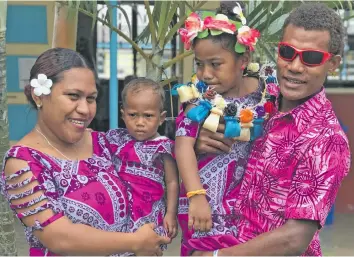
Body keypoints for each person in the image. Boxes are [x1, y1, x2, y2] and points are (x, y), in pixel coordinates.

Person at [193, 3, 351, 256]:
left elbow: (295, 237)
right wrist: (197, 143)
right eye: (288, 52)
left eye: (311, 57)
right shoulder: (259, 99)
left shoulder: (326, 139)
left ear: (332, 64)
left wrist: (218, 256)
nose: (295, 66)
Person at [0, 48, 170, 256]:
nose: (85, 109)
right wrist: (135, 242)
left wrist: (200, 140)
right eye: (73, 96)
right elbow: (58, 237)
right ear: (39, 96)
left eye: (91, 99)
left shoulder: (106, 144)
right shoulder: (23, 162)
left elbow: (158, 150)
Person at [174, 2, 277, 255]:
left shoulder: (266, 95)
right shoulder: (198, 99)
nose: (206, 73)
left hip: (251, 206)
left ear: (244, 60)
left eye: (216, 64)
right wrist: (196, 196)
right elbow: (183, 145)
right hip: (206, 204)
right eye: (199, 64)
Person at [105, 78, 179, 246]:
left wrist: (171, 213)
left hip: (149, 214)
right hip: (118, 215)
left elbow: (172, 182)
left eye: (148, 116)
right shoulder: (116, 138)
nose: (139, 122)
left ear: (161, 118)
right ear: (123, 114)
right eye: (133, 115)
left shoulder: (163, 147)